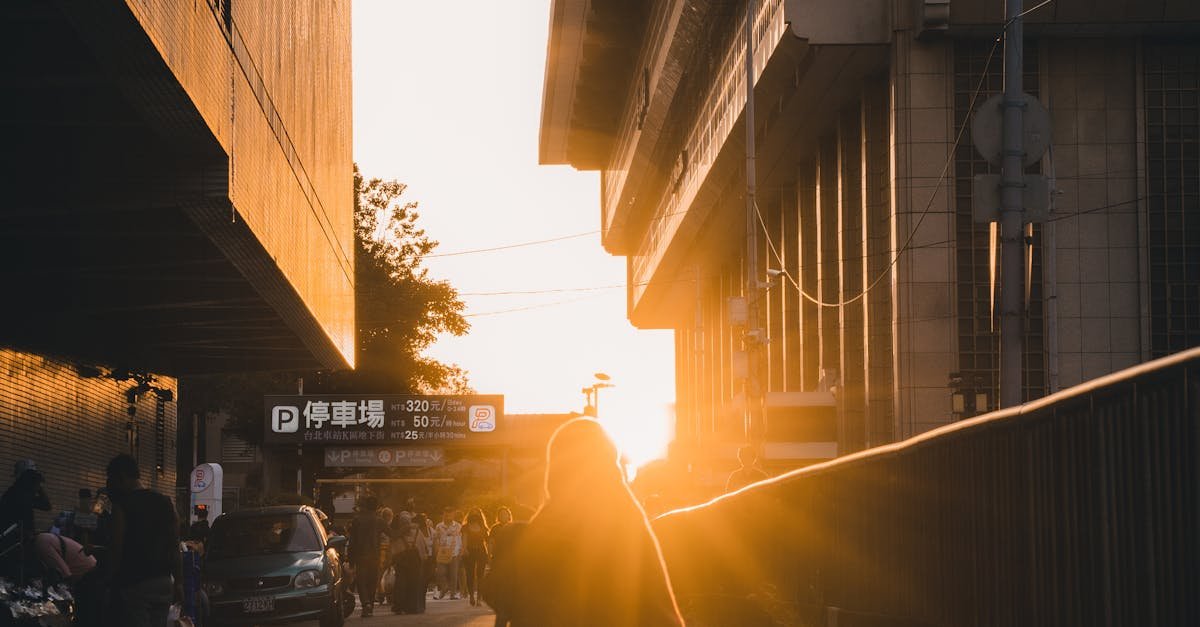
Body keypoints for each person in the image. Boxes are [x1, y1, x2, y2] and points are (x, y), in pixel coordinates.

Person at [482, 417, 685, 626]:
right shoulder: (628, 529)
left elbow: (498, 594)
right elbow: (660, 612)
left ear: (554, 471)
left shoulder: (534, 535)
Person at [102, 454, 180, 627]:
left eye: (112, 480)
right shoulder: (166, 503)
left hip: (135, 584)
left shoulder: (122, 506)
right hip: (163, 583)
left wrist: (109, 582)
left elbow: (116, 547)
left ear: (121, 477)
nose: (110, 486)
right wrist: (179, 582)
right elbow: (175, 546)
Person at [348, 495, 382, 617]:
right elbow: (392, 533)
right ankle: (370, 605)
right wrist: (406, 529)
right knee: (372, 581)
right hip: (375, 555)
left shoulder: (357, 520)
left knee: (361, 581)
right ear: (377, 507)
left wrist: (350, 559)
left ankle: (365, 603)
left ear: (366, 506)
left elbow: (352, 541)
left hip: (360, 555)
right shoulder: (379, 520)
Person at [460, 508, 490, 606]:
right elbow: (464, 538)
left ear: (480, 515)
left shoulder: (483, 527)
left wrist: (489, 554)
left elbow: (487, 540)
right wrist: (464, 549)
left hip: (481, 551)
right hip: (469, 552)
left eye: (477, 514)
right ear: (469, 515)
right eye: (472, 513)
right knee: (470, 575)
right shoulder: (465, 527)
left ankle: (479, 598)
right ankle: (472, 596)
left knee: (480, 575)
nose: (474, 515)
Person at [433, 507, 462, 599]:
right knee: (440, 572)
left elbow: (460, 538)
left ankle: (453, 594)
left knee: (453, 574)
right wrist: (436, 549)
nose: (448, 516)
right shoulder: (439, 526)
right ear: (443, 515)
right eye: (446, 514)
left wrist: (461, 550)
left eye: (450, 514)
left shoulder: (458, 526)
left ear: (453, 515)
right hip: (442, 552)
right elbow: (436, 539)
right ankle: (444, 587)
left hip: (454, 552)